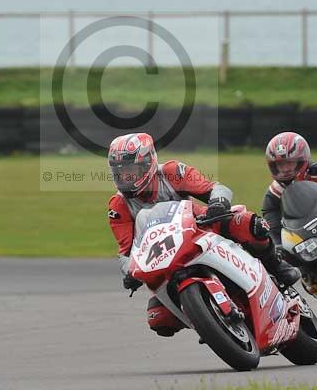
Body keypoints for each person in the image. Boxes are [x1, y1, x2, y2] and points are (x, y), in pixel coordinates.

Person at [108, 132, 300, 337]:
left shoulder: (172, 173)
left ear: (149, 162)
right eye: (120, 173)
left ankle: (276, 266)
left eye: (132, 170)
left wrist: (217, 202)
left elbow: (216, 188)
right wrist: (130, 272)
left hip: (200, 228)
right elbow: (126, 252)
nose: (126, 177)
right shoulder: (118, 206)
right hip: (164, 257)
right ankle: (208, 320)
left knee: (249, 224)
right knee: (158, 318)